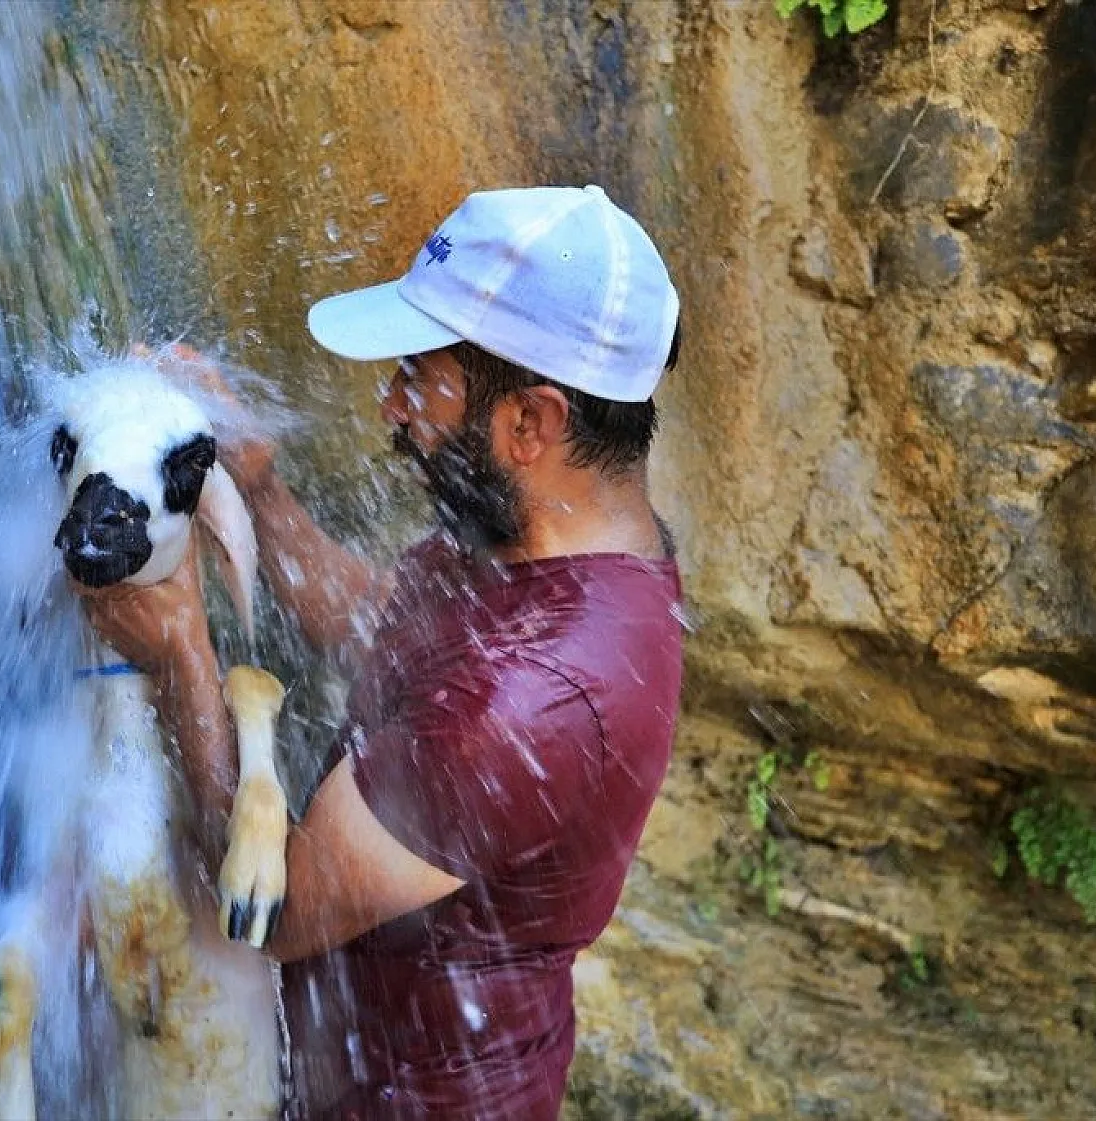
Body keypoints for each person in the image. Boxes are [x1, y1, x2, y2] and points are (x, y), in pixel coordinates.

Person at [79, 185, 686, 1120]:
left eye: (417, 378)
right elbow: (383, 625)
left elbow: (267, 916)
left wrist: (179, 655)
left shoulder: (527, 703)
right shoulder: (553, 545)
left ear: (533, 422)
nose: (390, 406)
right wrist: (264, 491)